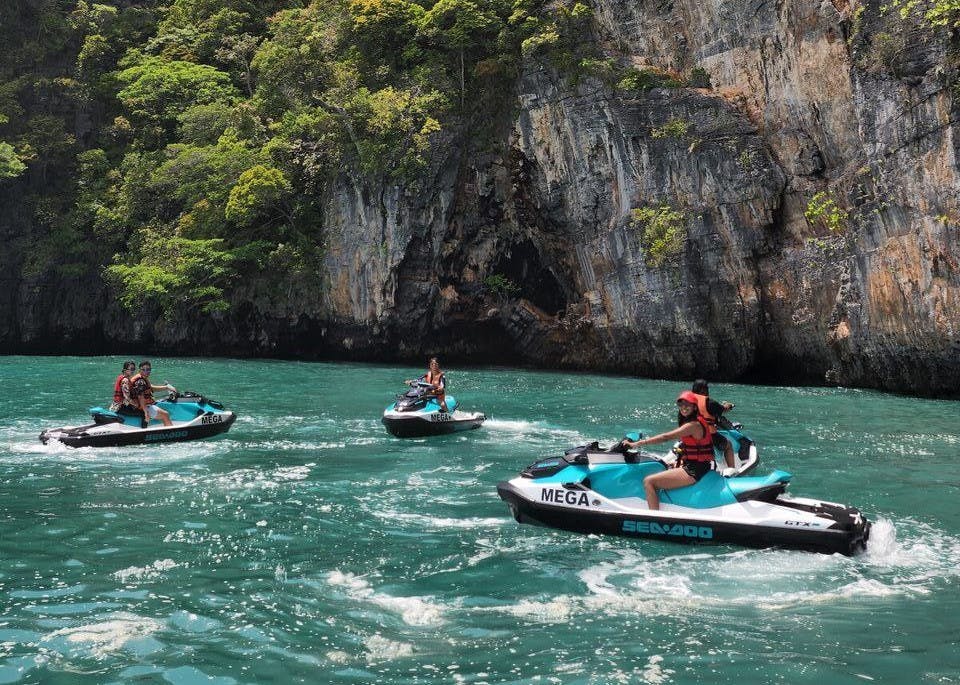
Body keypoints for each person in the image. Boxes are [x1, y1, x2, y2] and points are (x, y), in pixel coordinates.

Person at [622, 391, 715, 511]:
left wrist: (636, 444)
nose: (683, 408)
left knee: (649, 481)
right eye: (681, 405)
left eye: (687, 405)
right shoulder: (697, 421)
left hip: (694, 470)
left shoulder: (692, 425)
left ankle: (654, 518)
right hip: (698, 466)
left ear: (694, 406)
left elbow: (665, 437)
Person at [691, 378, 736, 470]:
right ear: (705, 390)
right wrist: (729, 405)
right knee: (728, 445)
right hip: (708, 435)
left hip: (690, 434)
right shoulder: (710, 403)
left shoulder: (687, 401)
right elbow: (724, 409)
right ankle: (731, 470)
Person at [129, 360, 175, 427]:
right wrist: (146, 412)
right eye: (143, 369)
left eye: (148, 369)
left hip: (142, 405)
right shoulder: (140, 381)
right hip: (141, 406)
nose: (146, 371)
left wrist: (166, 387)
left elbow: (151, 388)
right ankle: (170, 433)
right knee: (165, 414)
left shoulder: (142, 378)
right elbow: (140, 397)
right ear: (139, 370)